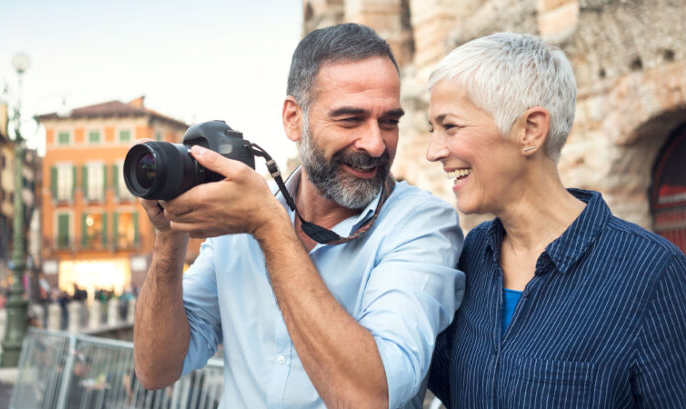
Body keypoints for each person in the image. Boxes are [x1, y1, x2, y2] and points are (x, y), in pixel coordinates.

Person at [133, 23, 464, 408]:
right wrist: (169, 239)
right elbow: (155, 368)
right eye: (349, 119)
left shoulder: (422, 225)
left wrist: (268, 226)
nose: (375, 144)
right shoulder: (239, 220)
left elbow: (370, 398)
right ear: (293, 118)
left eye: (389, 121)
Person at [423, 32, 686, 408]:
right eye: (432, 129)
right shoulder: (468, 258)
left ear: (530, 130)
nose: (434, 151)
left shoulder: (652, 273)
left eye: (450, 126)